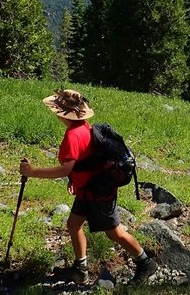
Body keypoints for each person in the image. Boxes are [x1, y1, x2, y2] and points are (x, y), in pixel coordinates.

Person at [19, 88, 158, 285]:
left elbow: (65, 169)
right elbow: (84, 162)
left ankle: (146, 263)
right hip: (88, 189)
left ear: (60, 113)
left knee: (114, 232)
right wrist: (74, 180)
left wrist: (33, 172)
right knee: (73, 224)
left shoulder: (73, 136)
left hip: (99, 193)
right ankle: (80, 269)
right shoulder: (84, 127)